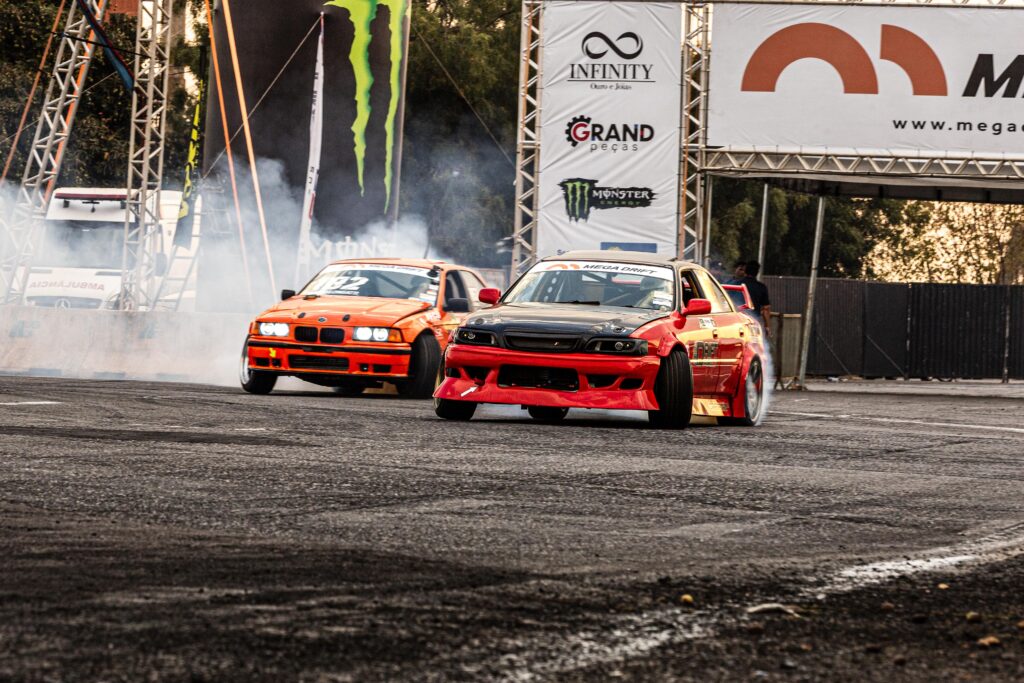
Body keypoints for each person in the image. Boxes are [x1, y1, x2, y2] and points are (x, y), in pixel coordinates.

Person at [741, 260, 771, 334]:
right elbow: (765, 309)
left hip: (737, 320)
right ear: (757, 272)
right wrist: (767, 326)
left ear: (745, 271)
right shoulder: (761, 287)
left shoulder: (736, 284)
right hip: (753, 322)